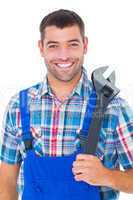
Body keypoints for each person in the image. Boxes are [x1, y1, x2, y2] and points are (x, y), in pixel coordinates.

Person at [0, 9, 133, 200]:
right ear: (41, 48)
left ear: (85, 45)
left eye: (72, 44)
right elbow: (6, 180)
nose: (64, 55)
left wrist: (107, 176)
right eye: (53, 46)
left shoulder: (114, 108)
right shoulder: (18, 106)